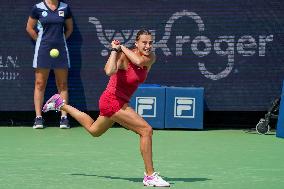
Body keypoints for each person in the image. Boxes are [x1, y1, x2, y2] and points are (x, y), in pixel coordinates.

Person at [42, 30, 170, 187]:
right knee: (146, 130)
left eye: (150, 42)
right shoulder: (123, 57)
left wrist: (121, 47)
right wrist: (115, 51)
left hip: (121, 101)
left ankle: (60, 104)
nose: (148, 46)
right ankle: (150, 176)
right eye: (144, 42)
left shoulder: (150, 57)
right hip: (112, 101)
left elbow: (138, 61)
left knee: (94, 130)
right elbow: (109, 71)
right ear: (136, 43)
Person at [26, 0, 73, 129]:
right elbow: (29, 28)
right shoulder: (37, 8)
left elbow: (69, 29)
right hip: (43, 49)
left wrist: (60, 41)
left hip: (61, 50)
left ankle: (64, 118)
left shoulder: (65, 8)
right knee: (40, 83)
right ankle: (38, 118)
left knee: (62, 84)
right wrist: (40, 41)